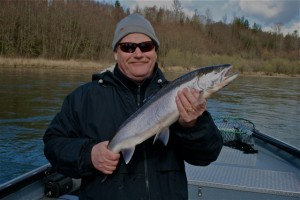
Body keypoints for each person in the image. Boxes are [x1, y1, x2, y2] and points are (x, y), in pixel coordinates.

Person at [43, 13, 223, 200]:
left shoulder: (182, 97)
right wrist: (89, 155)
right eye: (128, 47)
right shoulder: (83, 98)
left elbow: (207, 156)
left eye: (146, 46)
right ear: (116, 53)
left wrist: (193, 126)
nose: (138, 54)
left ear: (155, 51)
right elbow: (53, 144)